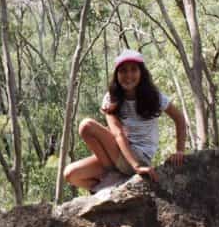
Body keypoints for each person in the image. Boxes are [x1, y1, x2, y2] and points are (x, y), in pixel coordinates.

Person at [63, 49, 188, 192]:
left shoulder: (154, 96)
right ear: (117, 75)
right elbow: (118, 134)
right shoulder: (111, 99)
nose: (128, 75)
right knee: (70, 174)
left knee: (87, 125)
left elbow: (179, 119)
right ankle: (111, 185)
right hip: (119, 156)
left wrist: (179, 150)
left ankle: (114, 178)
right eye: (123, 71)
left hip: (139, 158)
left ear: (141, 73)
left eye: (133, 70)